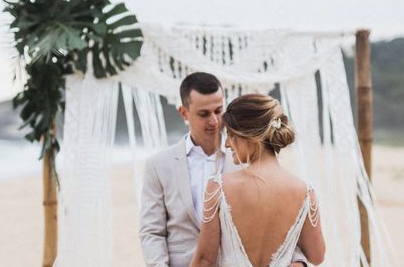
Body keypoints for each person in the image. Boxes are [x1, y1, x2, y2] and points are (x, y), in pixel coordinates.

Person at [139, 73, 309, 267]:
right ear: (184, 113)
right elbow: (152, 232)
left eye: (218, 110)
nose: (214, 121)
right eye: (204, 114)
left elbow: (278, 221)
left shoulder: (249, 158)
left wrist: (298, 261)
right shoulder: (158, 165)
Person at [190, 94, 325, 267]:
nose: (227, 144)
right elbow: (317, 256)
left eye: (231, 135)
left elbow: (204, 260)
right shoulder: (304, 192)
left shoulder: (218, 188)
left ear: (251, 136)